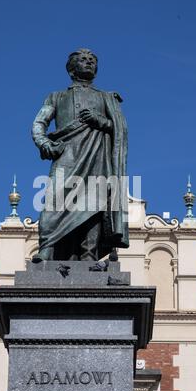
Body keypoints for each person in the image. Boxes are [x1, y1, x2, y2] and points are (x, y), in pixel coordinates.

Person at [31, 48, 129, 261]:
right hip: (66, 155)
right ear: (71, 68)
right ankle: (47, 248)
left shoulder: (106, 97)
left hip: (97, 156)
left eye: (92, 60)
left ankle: (89, 253)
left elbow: (120, 128)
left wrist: (100, 121)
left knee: (94, 203)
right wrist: (43, 141)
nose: (88, 62)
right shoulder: (57, 97)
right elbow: (40, 122)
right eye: (83, 60)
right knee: (54, 200)